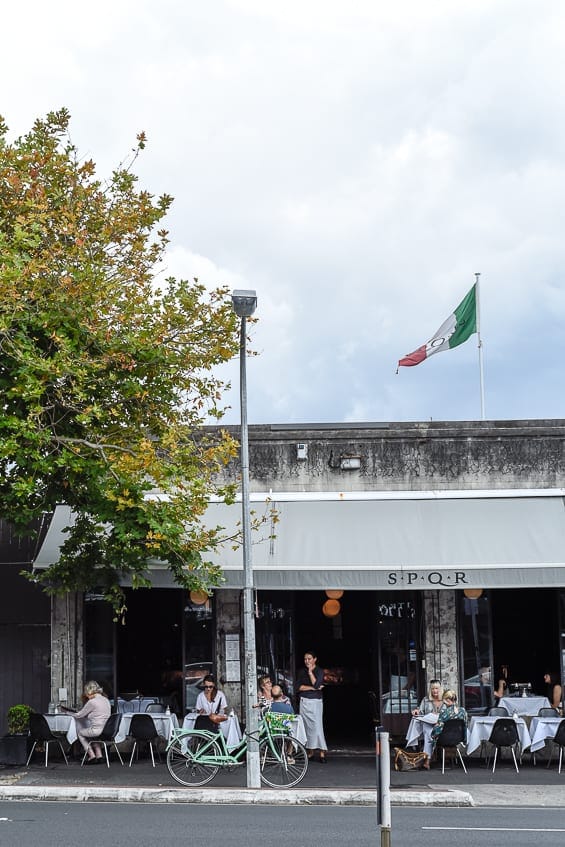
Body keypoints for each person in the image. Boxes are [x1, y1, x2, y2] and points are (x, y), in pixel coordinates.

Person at [297, 650, 327, 763]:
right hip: (304, 701)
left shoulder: (319, 671)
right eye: (305, 659)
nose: (307, 661)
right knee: (306, 727)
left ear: (315, 659)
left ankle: (322, 752)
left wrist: (310, 673)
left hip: (316, 702)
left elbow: (317, 683)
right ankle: (310, 752)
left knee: (317, 726)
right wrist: (312, 688)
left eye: (309, 659)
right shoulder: (301, 672)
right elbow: (298, 687)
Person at [71, 680, 111, 764]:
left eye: (86, 692)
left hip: (97, 730)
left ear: (89, 691)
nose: (85, 694)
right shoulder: (106, 700)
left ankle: (91, 756)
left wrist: (67, 713)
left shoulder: (92, 702)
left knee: (80, 733)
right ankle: (99, 756)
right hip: (106, 730)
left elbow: (79, 715)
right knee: (91, 733)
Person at [429, 689, 467, 768]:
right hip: (458, 739)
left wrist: (432, 734)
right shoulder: (463, 711)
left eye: (444, 700)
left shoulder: (444, 712)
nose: (443, 703)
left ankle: (429, 760)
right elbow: (465, 726)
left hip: (444, 739)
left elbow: (438, 730)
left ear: (448, 700)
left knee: (430, 737)